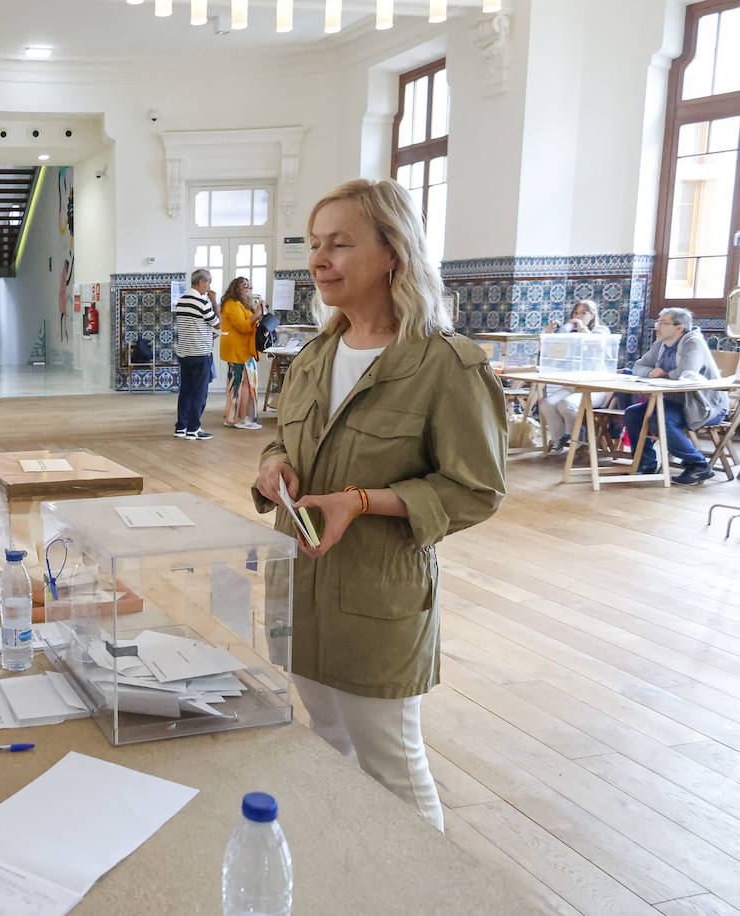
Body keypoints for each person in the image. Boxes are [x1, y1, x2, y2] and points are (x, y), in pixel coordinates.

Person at [252, 178, 507, 832]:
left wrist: (362, 501)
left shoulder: (445, 365)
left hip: (378, 599)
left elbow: (476, 490)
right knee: (325, 740)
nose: (318, 260)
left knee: (389, 760)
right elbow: (281, 436)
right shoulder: (313, 356)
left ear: (393, 252)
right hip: (298, 587)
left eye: (339, 244)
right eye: (314, 245)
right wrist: (273, 465)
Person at [625, 307, 727, 485]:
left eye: (662, 323)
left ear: (679, 328)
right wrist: (650, 373)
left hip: (704, 405)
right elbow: (638, 367)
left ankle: (698, 465)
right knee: (633, 413)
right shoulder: (661, 344)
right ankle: (645, 463)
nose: (657, 327)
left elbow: (687, 373)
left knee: (661, 419)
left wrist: (662, 373)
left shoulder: (693, 342)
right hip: (674, 402)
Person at [541, 299, 613, 453]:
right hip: (571, 385)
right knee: (546, 404)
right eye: (576, 313)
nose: (578, 316)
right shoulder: (569, 335)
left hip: (595, 388)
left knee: (566, 405)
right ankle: (558, 439)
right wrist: (549, 334)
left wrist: (582, 329)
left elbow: (599, 346)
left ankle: (576, 439)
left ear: (592, 315)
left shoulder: (601, 331)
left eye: (583, 313)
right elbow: (550, 353)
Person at [173, 268, 219, 440]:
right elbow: (218, 324)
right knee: (200, 392)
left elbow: (194, 326)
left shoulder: (182, 301)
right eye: (208, 283)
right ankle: (194, 428)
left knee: (186, 390)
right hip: (200, 354)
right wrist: (214, 302)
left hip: (185, 353)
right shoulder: (203, 302)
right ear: (201, 282)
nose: (209, 287)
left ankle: (181, 427)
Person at [219, 276, 263, 430]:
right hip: (237, 350)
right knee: (240, 384)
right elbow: (243, 327)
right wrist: (257, 315)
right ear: (236, 288)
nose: (248, 288)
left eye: (249, 286)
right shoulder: (231, 304)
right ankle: (240, 418)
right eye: (245, 286)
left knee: (247, 383)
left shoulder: (243, 305)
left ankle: (239, 417)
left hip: (246, 350)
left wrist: (259, 314)